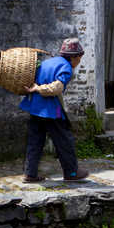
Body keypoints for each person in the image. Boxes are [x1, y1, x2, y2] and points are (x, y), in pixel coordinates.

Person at [19, 37, 90, 183]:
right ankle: (71, 173)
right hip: (51, 110)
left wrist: (36, 88)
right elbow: (57, 87)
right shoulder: (66, 67)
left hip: (35, 108)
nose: (80, 61)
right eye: (80, 57)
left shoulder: (48, 62)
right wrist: (39, 89)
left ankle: (30, 174)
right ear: (75, 57)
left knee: (35, 141)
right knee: (64, 140)